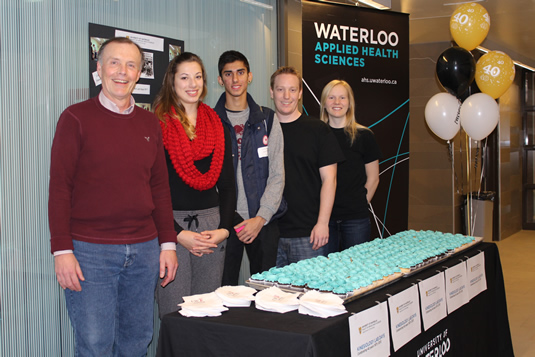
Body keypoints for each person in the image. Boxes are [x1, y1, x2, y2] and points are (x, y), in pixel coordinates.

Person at [48, 37, 178, 356]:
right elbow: (60, 187)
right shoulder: (75, 118)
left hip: (145, 251)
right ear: (100, 68)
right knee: (95, 343)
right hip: (90, 253)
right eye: (114, 63)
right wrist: (61, 250)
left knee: (137, 340)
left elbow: (159, 188)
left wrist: (168, 244)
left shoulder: (150, 123)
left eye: (131, 64)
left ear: (139, 73)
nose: (122, 72)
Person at [153, 52, 236, 317]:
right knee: (174, 311)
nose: (192, 84)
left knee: (207, 311)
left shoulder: (218, 125)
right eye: (185, 77)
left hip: (212, 227)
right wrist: (177, 233)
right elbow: (152, 189)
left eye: (198, 77)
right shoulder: (158, 125)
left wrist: (224, 229)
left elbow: (228, 185)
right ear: (172, 82)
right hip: (170, 229)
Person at [214, 50, 285, 285]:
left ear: (250, 76)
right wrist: (230, 219)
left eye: (240, 73)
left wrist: (261, 217)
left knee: (266, 293)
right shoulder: (211, 121)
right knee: (224, 293)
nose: (235, 80)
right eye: (228, 74)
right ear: (220, 79)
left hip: (263, 222)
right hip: (224, 223)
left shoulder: (268, 119)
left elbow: (277, 175)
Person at [270, 66, 344, 267]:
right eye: (280, 89)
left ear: (300, 93)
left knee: (310, 296)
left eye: (292, 90)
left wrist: (322, 223)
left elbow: (330, 179)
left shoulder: (317, 130)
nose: (286, 96)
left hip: (308, 234)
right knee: (272, 297)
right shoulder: (262, 129)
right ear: (271, 92)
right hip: (269, 233)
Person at [320, 80, 381, 252]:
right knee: (326, 272)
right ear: (324, 103)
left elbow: (373, 178)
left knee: (355, 272)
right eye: (331, 97)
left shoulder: (365, 136)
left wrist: (359, 204)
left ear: (350, 103)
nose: (337, 102)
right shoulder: (316, 136)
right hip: (324, 220)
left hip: (356, 221)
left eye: (342, 98)